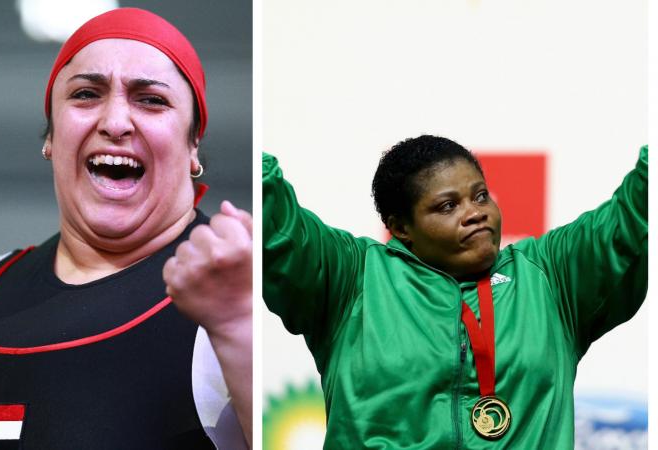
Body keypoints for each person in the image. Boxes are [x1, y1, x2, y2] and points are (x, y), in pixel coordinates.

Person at [0, 8, 252, 450]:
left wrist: (238, 320)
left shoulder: (239, 294)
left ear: (192, 146)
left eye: (150, 100)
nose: (115, 122)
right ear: (50, 137)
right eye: (87, 94)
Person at [263, 135, 647, 448]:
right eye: (448, 205)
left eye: (480, 196)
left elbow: (635, 214)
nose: (474, 212)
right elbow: (277, 225)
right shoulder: (352, 278)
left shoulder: (550, 274)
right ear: (400, 228)